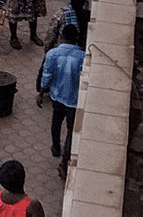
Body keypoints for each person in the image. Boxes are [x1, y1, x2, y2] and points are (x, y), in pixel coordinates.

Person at [38, 24, 85, 177]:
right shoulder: (82, 57)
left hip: (57, 97)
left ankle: (56, 147)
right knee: (71, 130)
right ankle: (65, 161)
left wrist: (41, 91)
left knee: (56, 120)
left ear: (62, 36)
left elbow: (47, 75)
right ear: (76, 38)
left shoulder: (53, 54)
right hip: (74, 100)